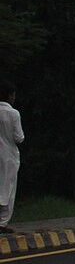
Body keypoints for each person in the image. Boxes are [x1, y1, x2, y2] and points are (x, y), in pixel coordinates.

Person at [0, 82, 22, 232]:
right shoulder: (13, 113)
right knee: (9, 187)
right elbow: (18, 137)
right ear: (9, 95)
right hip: (9, 154)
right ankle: (3, 222)